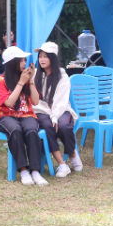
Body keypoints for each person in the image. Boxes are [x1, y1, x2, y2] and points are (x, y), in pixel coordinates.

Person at [0, 46, 48, 186]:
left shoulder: (26, 78)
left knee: (31, 130)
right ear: (12, 62)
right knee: (15, 130)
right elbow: (9, 103)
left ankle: (35, 171)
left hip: (26, 115)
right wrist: (21, 82)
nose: (25, 63)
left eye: (25, 60)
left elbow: (35, 101)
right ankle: (23, 171)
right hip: (5, 116)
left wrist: (31, 80)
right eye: (22, 60)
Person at [33, 42, 81, 176]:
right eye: (40, 56)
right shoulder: (35, 75)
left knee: (63, 126)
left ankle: (72, 154)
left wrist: (54, 117)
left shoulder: (62, 77)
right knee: (48, 126)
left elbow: (60, 102)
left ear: (52, 58)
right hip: (42, 110)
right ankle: (63, 164)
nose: (42, 60)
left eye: (45, 57)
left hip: (61, 109)